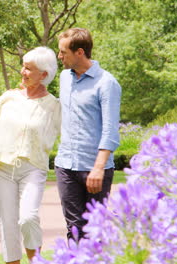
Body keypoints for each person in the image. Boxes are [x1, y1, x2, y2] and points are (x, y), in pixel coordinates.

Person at [0, 47, 61, 263]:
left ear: (44, 75)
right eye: (23, 67)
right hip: (2, 168)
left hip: (33, 168)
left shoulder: (55, 106)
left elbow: (70, 136)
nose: (23, 72)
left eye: (29, 69)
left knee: (28, 218)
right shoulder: (9, 97)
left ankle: (36, 260)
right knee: (7, 223)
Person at [54, 28, 121, 241]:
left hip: (94, 169)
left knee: (94, 231)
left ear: (80, 52)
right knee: (74, 229)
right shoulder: (65, 78)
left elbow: (110, 130)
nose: (59, 56)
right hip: (66, 165)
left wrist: (98, 168)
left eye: (63, 52)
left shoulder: (107, 83)